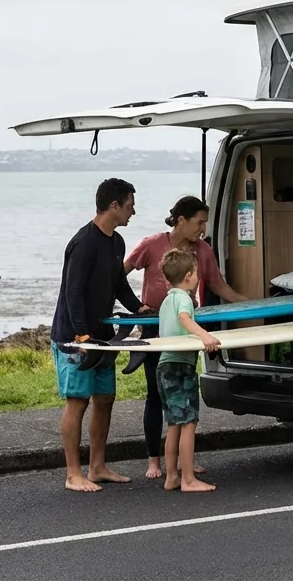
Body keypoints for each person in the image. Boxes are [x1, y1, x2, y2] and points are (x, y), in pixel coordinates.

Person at [122, 195, 247, 480]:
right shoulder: (152, 244)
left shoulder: (203, 250)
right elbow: (122, 272)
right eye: (199, 223)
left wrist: (248, 304)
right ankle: (154, 460)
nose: (203, 229)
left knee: (184, 397)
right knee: (157, 394)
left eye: (205, 223)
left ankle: (182, 461)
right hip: (155, 328)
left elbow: (218, 285)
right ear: (181, 220)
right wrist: (134, 306)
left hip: (185, 332)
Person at [50, 178, 150, 493]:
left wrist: (139, 308)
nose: (133, 211)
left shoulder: (116, 242)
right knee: (77, 401)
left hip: (104, 336)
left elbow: (119, 284)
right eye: (130, 205)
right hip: (74, 337)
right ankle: (72, 474)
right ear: (114, 206)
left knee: (105, 398)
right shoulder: (83, 243)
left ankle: (97, 467)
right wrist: (81, 335)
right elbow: (73, 293)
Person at [154, 248, 221, 492]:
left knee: (174, 423)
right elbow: (184, 319)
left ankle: (172, 476)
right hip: (180, 366)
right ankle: (189, 479)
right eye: (196, 273)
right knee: (189, 422)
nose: (197, 278)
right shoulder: (183, 298)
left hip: (164, 365)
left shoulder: (165, 301)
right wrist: (205, 336)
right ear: (189, 276)